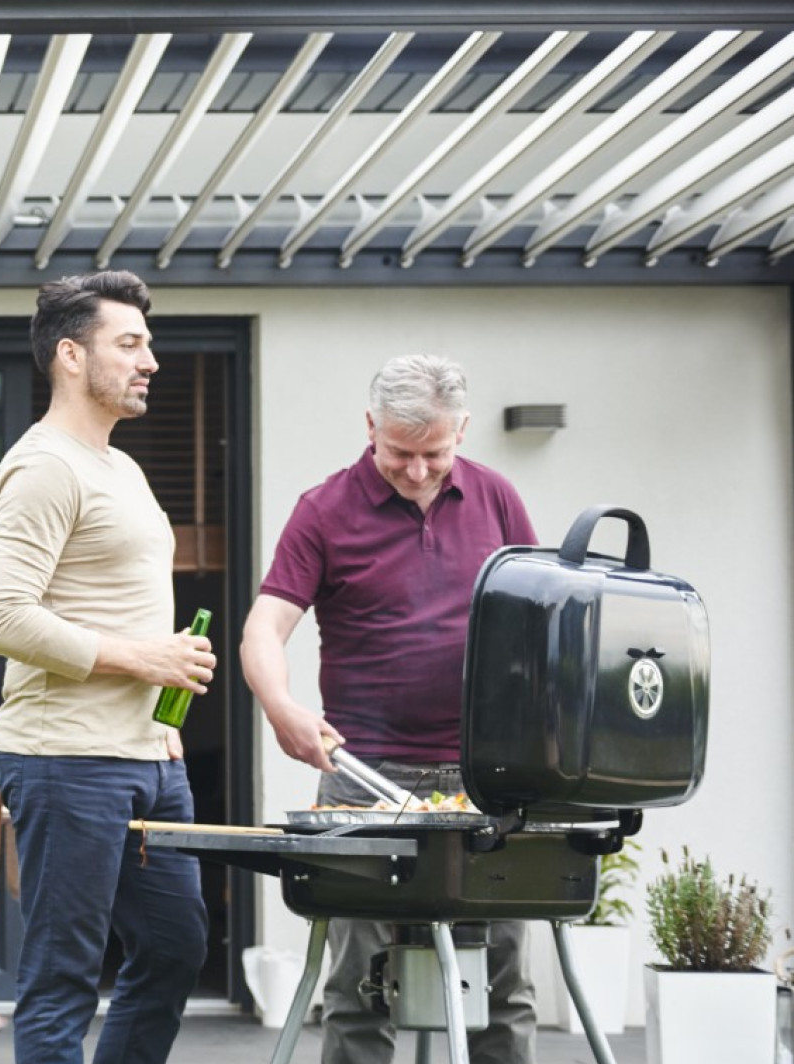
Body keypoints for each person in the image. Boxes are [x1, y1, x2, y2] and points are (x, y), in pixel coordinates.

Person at [239, 354, 539, 1064]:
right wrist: (281, 706)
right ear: (370, 425)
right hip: (363, 776)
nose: (416, 470)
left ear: (462, 430)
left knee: (505, 983)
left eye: (434, 452)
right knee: (354, 987)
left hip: (485, 776)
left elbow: (540, 624)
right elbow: (263, 628)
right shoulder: (324, 510)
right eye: (400, 452)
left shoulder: (498, 499)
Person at [0, 269, 215, 1064]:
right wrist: (140, 658)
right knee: (62, 979)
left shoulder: (123, 468)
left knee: (176, 947)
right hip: (66, 758)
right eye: (131, 344)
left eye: (150, 345)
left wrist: (156, 704)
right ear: (71, 356)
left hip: (146, 754)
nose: (151, 361)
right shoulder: (45, 467)